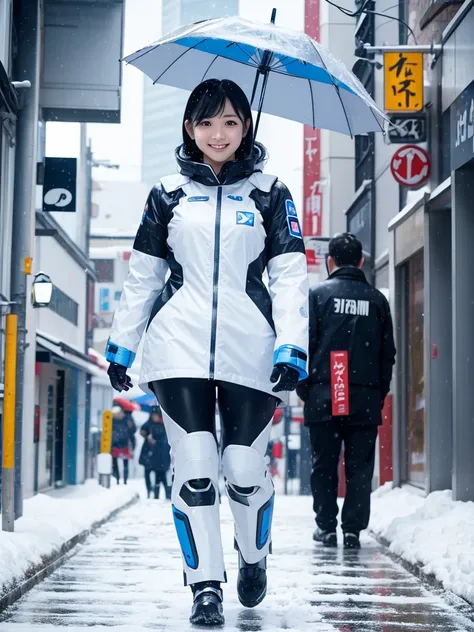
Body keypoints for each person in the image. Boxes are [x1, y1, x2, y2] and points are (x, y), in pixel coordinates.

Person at [105, 78, 309, 626]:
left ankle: (253, 555)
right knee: (196, 467)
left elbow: (291, 277)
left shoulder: (271, 194)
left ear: (245, 127)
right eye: (206, 122)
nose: (217, 134)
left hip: (252, 348)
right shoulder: (166, 194)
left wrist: (292, 345)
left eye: (230, 122)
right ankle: (205, 587)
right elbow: (142, 277)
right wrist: (123, 346)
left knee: (243, 468)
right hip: (178, 347)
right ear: (189, 128)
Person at [297, 233, 396, 550]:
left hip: (323, 395)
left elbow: (305, 345)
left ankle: (326, 527)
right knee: (360, 468)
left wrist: (306, 389)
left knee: (323, 466)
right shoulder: (377, 300)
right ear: (361, 262)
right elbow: (387, 353)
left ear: (330, 262)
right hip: (365, 398)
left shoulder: (317, 296)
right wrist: (378, 392)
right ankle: (352, 529)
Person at [139, 405, 172, 499]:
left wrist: (157, 442)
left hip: (162, 453)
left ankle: (164, 493)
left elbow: (166, 439)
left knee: (162, 475)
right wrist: (146, 435)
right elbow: (142, 431)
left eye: (156, 415)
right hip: (149, 452)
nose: (155, 417)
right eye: (153, 415)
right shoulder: (148, 424)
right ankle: (149, 490)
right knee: (148, 472)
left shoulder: (164, 424)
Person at [111, 405, 134, 485]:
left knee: (125, 464)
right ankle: (117, 479)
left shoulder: (128, 419)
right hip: (115, 444)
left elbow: (132, 431)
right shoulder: (112, 420)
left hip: (125, 444)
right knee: (115, 464)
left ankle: (125, 480)